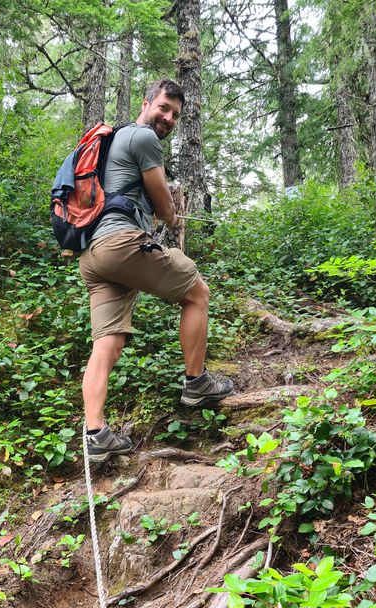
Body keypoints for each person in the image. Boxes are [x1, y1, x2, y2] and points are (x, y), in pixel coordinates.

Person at [80, 79, 234, 462]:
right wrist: (167, 211)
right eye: (163, 108)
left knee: (107, 342)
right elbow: (165, 205)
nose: (168, 118)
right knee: (197, 291)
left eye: (175, 115)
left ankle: (96, 433)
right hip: (120, 243)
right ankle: (197, 383)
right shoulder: (143, 138)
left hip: (94, 254)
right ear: (146, 103)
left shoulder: (114, 141)